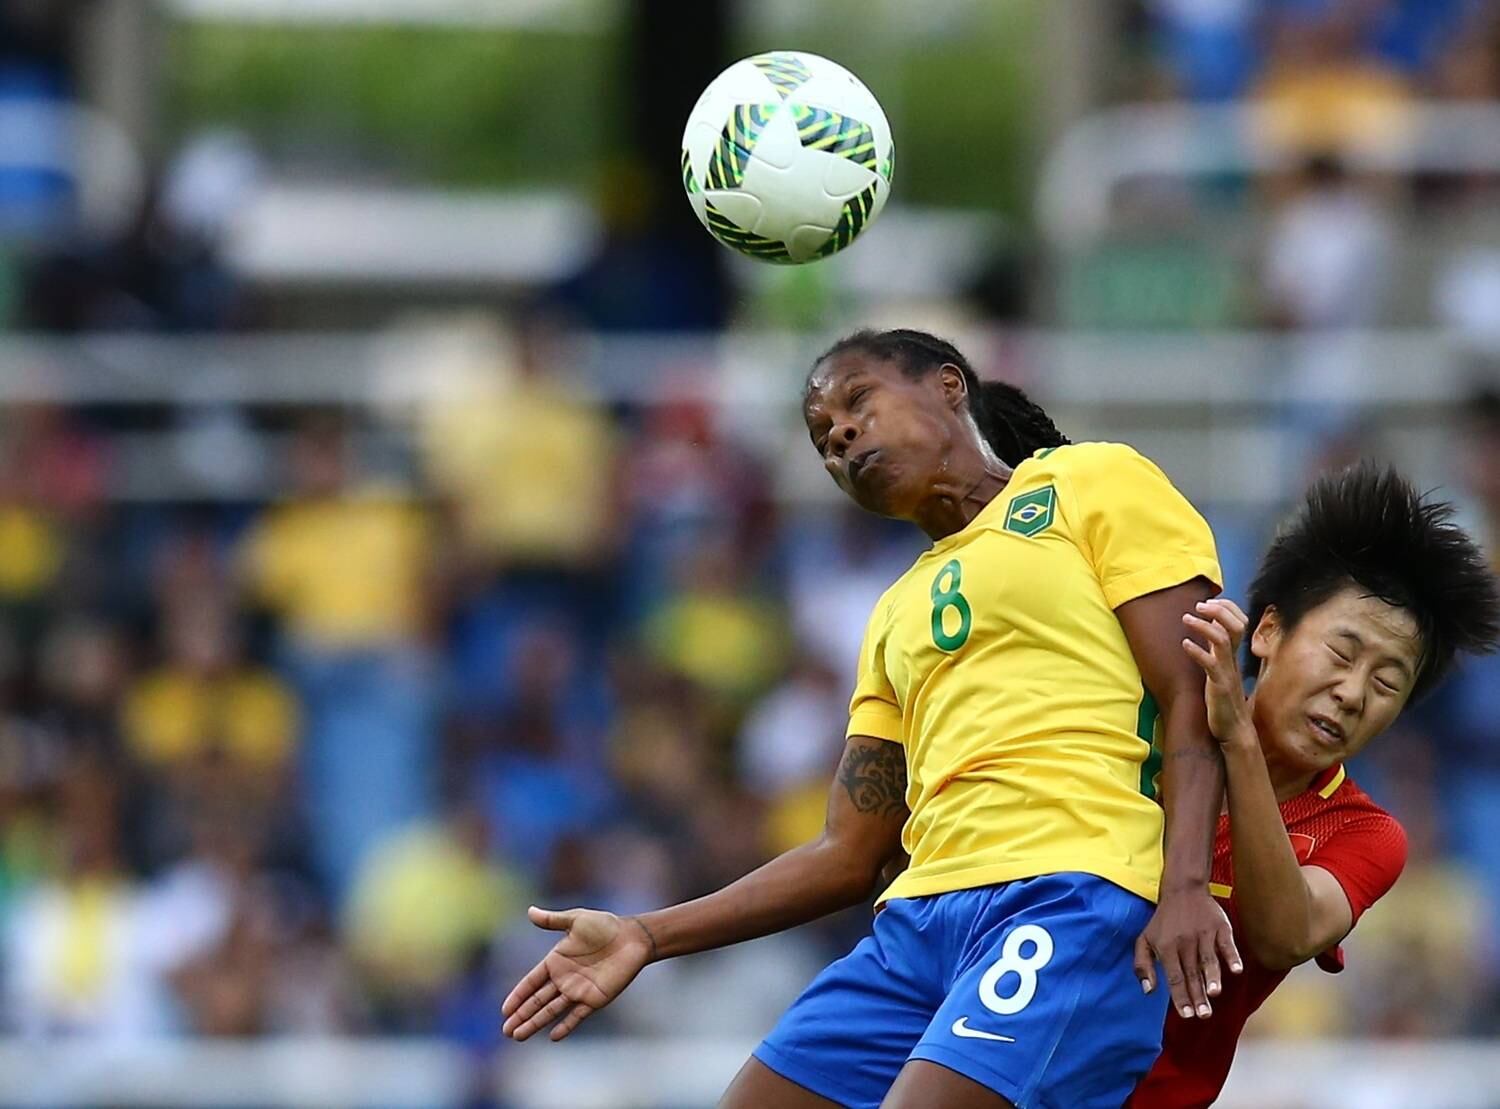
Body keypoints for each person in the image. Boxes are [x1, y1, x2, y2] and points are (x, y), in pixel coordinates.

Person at [503, 328, 1237, 1108]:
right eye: (824, 439)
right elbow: (848, 852)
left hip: (1071, 896)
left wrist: (1186, 883)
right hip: (916, 930)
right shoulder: (894, 613)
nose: (842, 436)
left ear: (949, 387)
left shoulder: (1092, 480)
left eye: (858, 402)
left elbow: (1195, 696)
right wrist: (647, 935)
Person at [1128, 464, 1500, 1107]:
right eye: (1341, 653)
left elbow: (1283, 934)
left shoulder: (1366, 834)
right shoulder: (1142, 723)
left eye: (1388, 684)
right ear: (1267, 630)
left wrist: (1239, 741)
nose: (1354, 694)